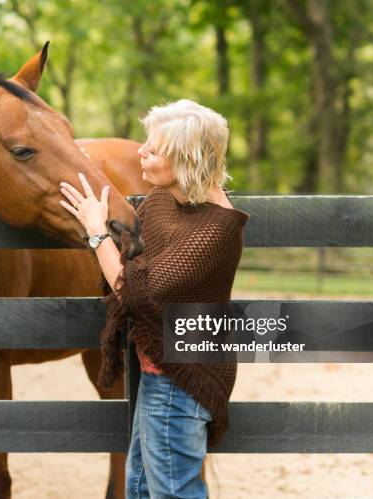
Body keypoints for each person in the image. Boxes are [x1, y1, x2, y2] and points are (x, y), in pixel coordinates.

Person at [59, 99, 250, 499]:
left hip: (181, 381)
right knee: (142, 488)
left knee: (174, 493)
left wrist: (96, 233)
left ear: (184, 158)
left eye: (153, 147)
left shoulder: (216, 229)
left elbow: (136, 293)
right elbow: (137, 257)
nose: (140, 151)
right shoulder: (166, 202)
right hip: (157, 373)